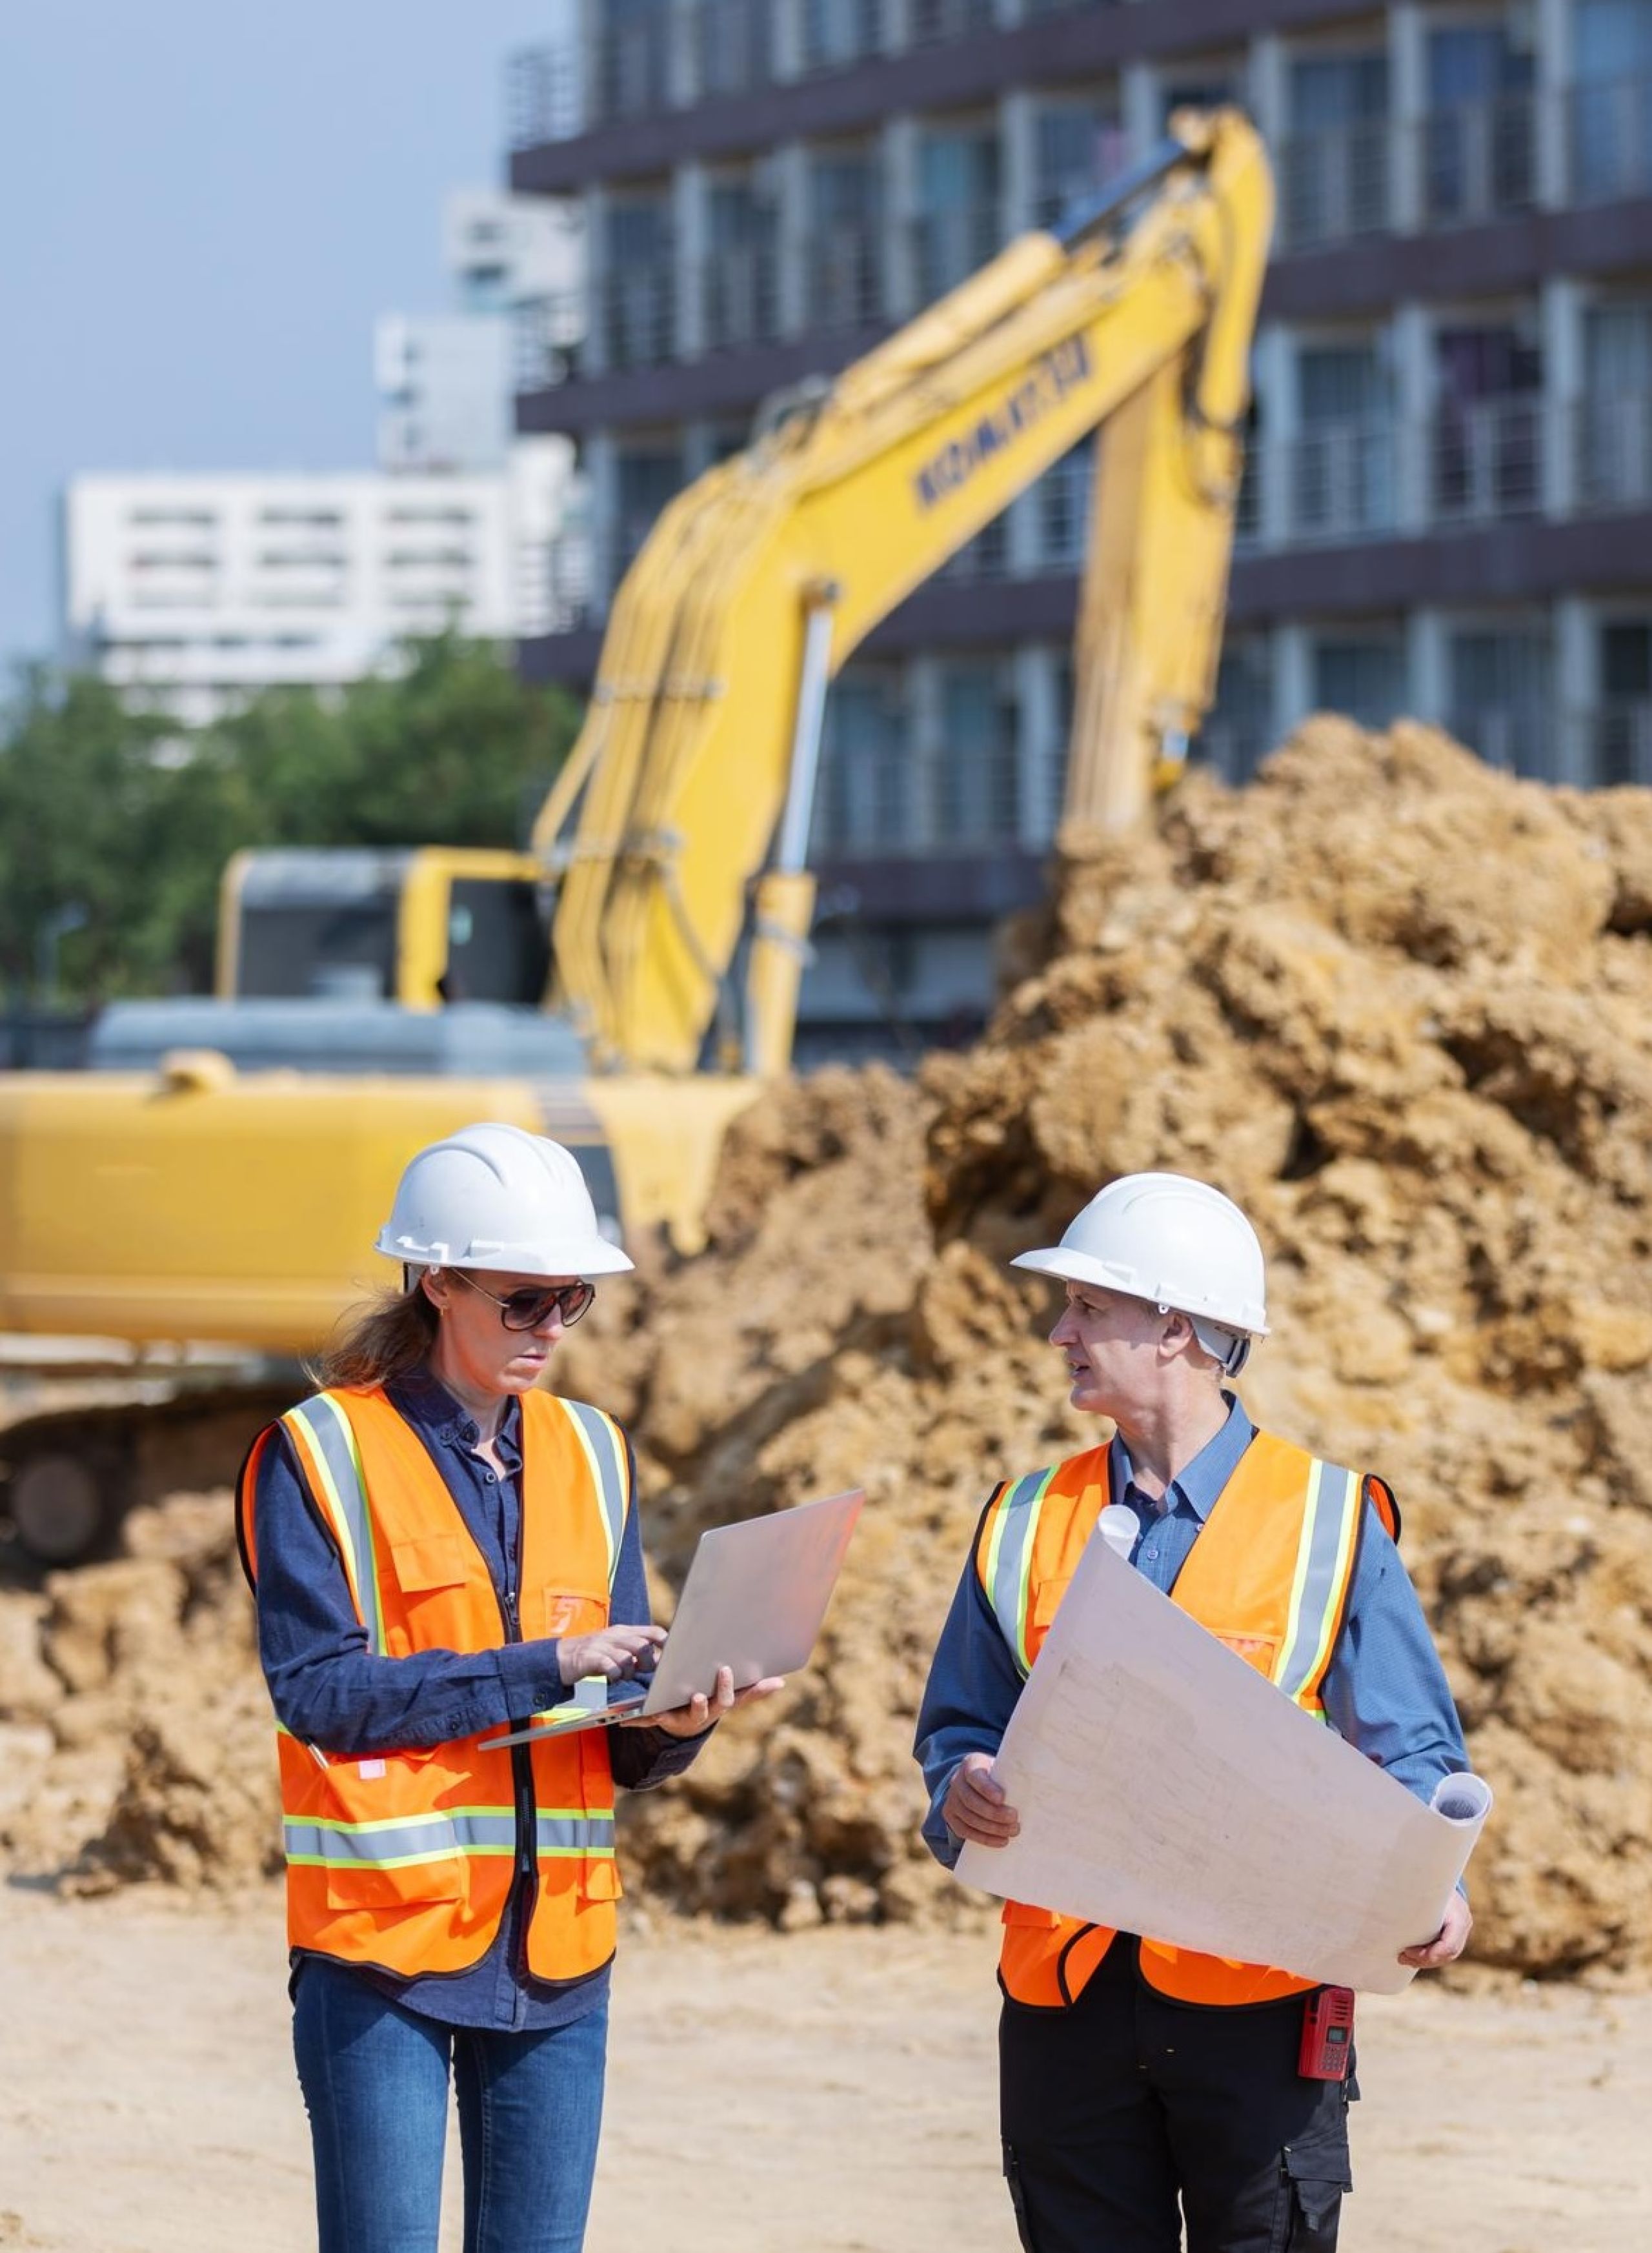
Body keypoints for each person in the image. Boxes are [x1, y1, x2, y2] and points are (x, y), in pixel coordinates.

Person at [237, 1121, 779, 2253]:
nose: (551, 1330)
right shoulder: (319, 1453)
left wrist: (676, 1720)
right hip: (383, 1948)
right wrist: (547, 1665)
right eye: (523, 1301)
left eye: (571, 1300)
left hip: (559, 1951)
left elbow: (609, 1735)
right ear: (437, 1282)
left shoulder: (594, 1450)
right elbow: (321, 1696)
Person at [914, 1170, 1472, 2253]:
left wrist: (1433, 1887)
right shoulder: (1023, 1519)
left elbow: (1411, 1750)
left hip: (1261, 1997)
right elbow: (961, 1727)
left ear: (1175, 1329)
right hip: (1067, 1996)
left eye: (1089, 1307)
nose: (1059, 1333)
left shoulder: (1328, 1519)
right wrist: (963, 1790)